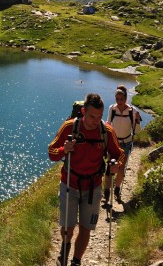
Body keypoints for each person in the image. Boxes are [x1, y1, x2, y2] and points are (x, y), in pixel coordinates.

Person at [48, 93, 125, 266]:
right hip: (70, 184)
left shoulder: (106, 131)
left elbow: (119, 153)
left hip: (93, 187)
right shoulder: (70, 127)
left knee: (86, 228)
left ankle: (76, 261)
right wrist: (63, 149)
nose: (96, 120)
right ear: (83, 111)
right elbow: (51, 152)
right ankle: (65, 247)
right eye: (92, 116)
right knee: (67, 228)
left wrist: (116, 165)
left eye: (99, 116)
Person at [104, 85, 141, 203]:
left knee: (121, 168)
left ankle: (117, 189)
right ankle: (106, 192)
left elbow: (137, 131)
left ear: (126, 98)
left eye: (122, 99)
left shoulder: (132, 111)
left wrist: (138, 121)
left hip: (125, 143)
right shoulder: (112, 109)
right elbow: (109, 124)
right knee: (110, 168)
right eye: (117, 99)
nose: (119, 102)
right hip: (113, 143)